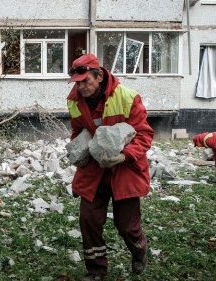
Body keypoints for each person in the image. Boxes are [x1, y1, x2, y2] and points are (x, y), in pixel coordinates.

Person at [66, 53, 154, 279]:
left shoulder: (126, 97)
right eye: (77, 82)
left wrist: (124, 156)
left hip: (125, 168)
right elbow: (78, 130)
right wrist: (78, 147)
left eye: (86, 81)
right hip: (94, 170)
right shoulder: (74, 100)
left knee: (127, 226)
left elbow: (144, 135)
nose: (81, 87)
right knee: (89, 220)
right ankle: (96, 271)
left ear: (99, 75)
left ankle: (139, 249)